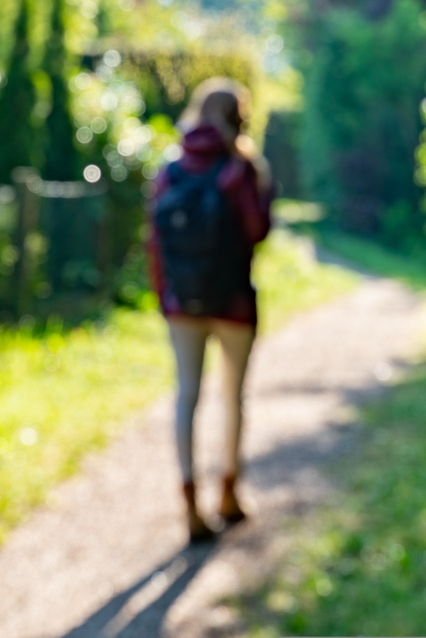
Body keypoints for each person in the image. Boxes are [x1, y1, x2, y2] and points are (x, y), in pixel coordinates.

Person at [148, 77, 272, 542]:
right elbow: (257, 230)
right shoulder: (242, 169)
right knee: (232, 398)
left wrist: (166, 296)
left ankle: (189, 502)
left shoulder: (171, 169)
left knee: (187, 396)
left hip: (181, 302)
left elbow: (154, 240)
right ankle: (228, 494)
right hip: (234, 302)